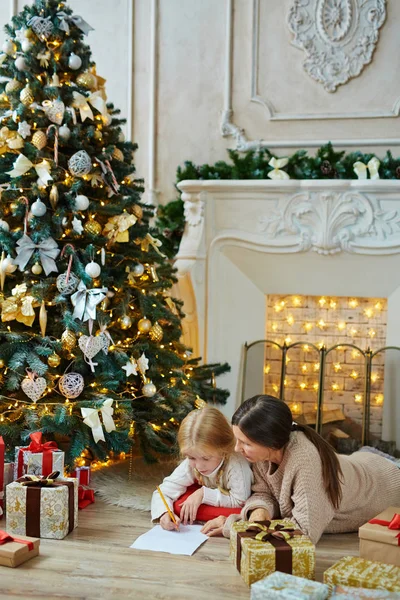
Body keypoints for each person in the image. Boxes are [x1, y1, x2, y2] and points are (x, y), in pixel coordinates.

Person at [201, 395, 400, 543]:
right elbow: (264, 492)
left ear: (270, 442)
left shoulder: (305, 461)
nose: (237, 449)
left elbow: (303, 532)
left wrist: (233, 525)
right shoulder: (263, 454)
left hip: (386, 482)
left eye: (245, 443)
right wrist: (259, 512)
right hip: (360, 462)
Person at [151, 405, 253, 530]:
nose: (198, 466)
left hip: (240, 499)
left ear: (223, 450)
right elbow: (162, 492)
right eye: (191, 458)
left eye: (206, 458)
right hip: (217, 494)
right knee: (179, 506)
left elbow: (240, 501)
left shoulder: (237, 464)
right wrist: (165, 513)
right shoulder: (191, 463)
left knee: (243, 512)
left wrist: (203, 494)